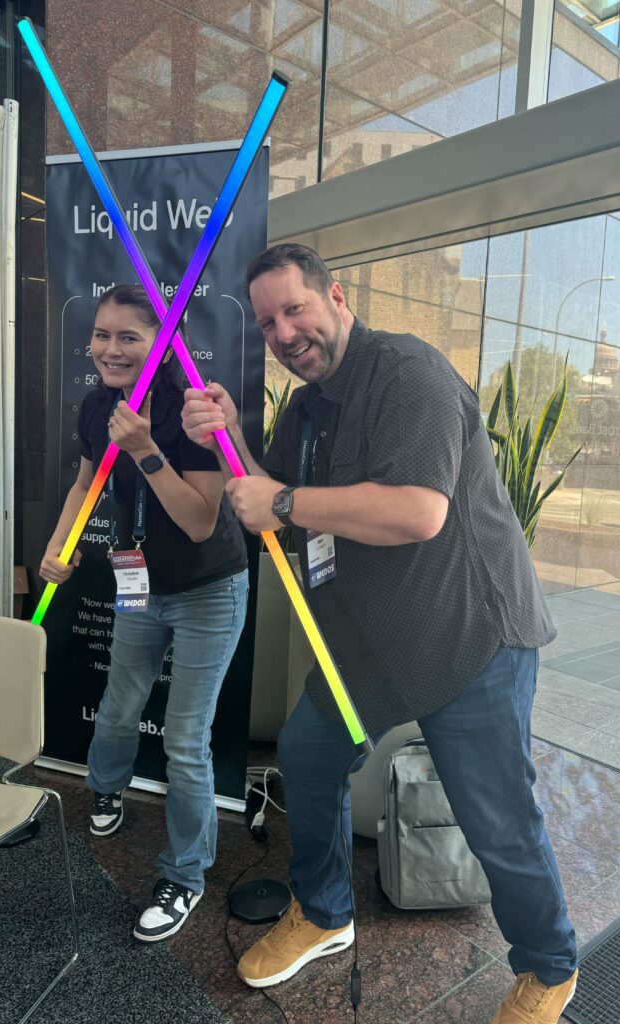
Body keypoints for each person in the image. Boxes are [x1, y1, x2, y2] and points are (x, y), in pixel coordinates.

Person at [181, 244, 578, 1023]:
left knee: (495, 817)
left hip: (469, 638)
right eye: (267, 323)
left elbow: (416, 512)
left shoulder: (409, 375)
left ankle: (550, 965)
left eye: (295, 309)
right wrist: (231, 438)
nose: (284, 332)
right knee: (306, 751)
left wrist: (286, 502)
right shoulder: (302, 410)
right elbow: (275, 493)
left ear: (335, 294)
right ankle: (326, 912)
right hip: (366, 647)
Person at [40, 284, 249, 943]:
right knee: (118, 703)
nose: (108, 349)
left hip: (207, 587)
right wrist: (58, 544)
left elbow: (198, 520)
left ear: (162, 343)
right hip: (137, 581)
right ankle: (104, 788)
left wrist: (143, 450)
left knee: (186, 740)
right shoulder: (98, 403)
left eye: (128, 336)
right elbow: (84, 482)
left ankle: (185, 876)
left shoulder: (192, 409)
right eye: (101, 335)